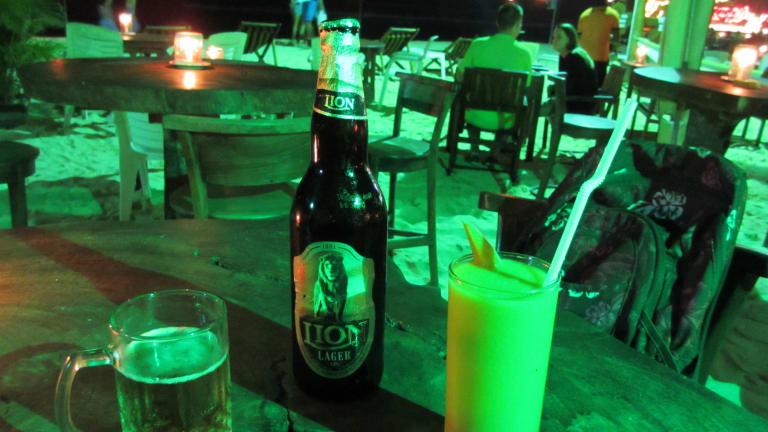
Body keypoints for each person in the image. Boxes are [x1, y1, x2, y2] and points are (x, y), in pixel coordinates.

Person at [456, 2, 532, 154]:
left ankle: (474, 148)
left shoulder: (477, 45)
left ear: (497, 22)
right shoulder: (525, 53)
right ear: (518, 25)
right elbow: (526, 87)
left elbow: (459, 76)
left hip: (475, 114)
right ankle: (495, 152)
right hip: (506, 120)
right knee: (517, 104)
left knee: (465, 96)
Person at [551, 23, 599, 114]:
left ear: (570, 40)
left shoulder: (576, 57)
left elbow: (574, 87)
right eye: (554, 37)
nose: (554, 40)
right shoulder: (564, 55)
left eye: (559, 37)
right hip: (570, 100)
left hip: (580, 105)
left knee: (535, 108)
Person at [577, 0, 619, 86]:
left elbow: (579, 36)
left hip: (584, 56)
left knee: (582, 83)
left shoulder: (584, 14)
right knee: (598, 84)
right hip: (601, 57)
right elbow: (616, 38)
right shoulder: (613, 14)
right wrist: (613, 49)